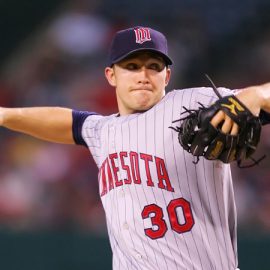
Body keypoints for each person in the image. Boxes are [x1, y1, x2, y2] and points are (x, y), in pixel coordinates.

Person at [0, 26, 270, 270]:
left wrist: (256, 95)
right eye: (131, 66)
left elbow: (260, 99)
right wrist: (4, 115)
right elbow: (67, 121)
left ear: (167, 75)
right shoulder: (102, 131)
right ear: (111, 75)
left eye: (154, 66)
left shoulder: (195, 102)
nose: (143, 75)